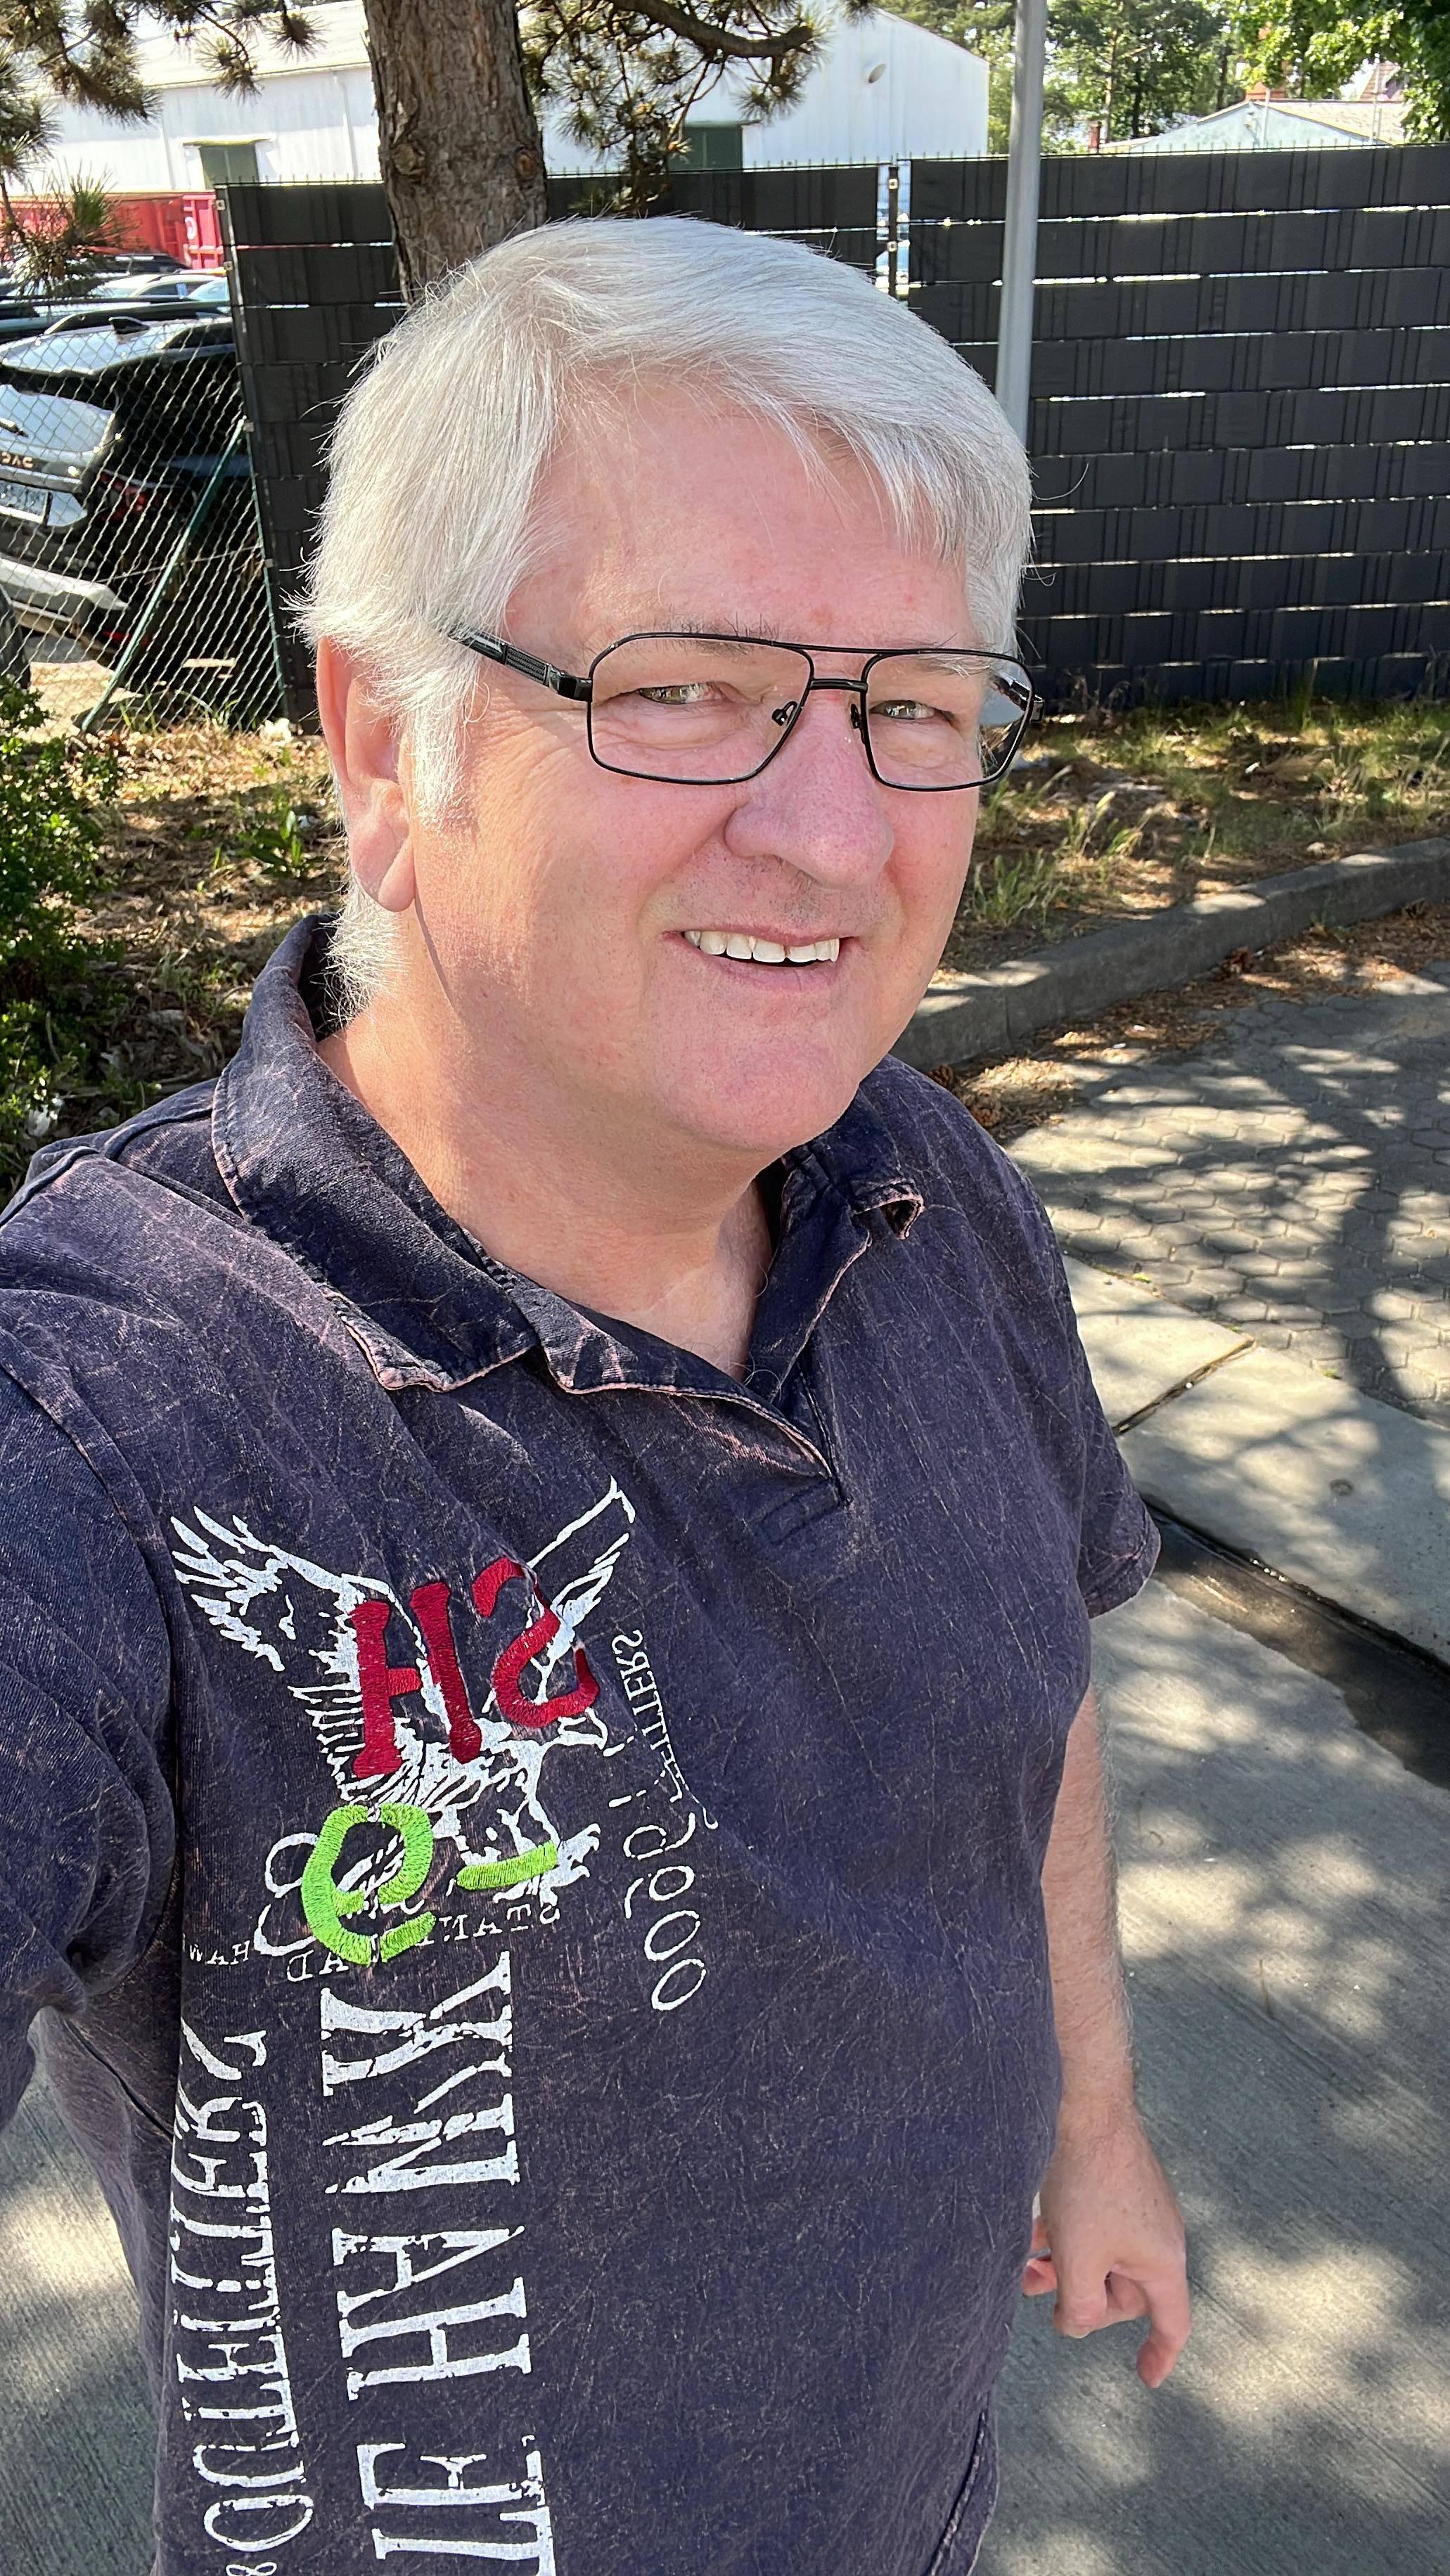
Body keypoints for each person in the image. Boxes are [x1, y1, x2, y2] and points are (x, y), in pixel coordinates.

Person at [0, 216, 1188, 2576]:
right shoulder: (112, 1415)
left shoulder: (927, 1189)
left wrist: (1096, 2116)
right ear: (382, 742)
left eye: (920, 705)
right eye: (687, 687)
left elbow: (1029, 1690)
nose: (837, 834)